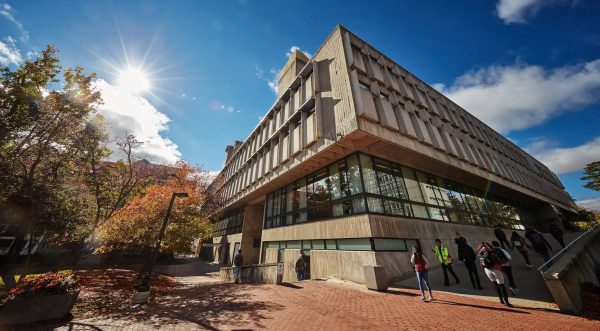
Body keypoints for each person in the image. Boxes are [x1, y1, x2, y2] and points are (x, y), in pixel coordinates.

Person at [477, 242, 514, 307]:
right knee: (502, 285)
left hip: (487, 270)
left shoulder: (480, 253)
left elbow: (481, 265)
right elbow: (499, 261)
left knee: (495, 284)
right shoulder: (492, 252)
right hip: (495, 269)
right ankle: (507, 302)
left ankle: (501, 299)